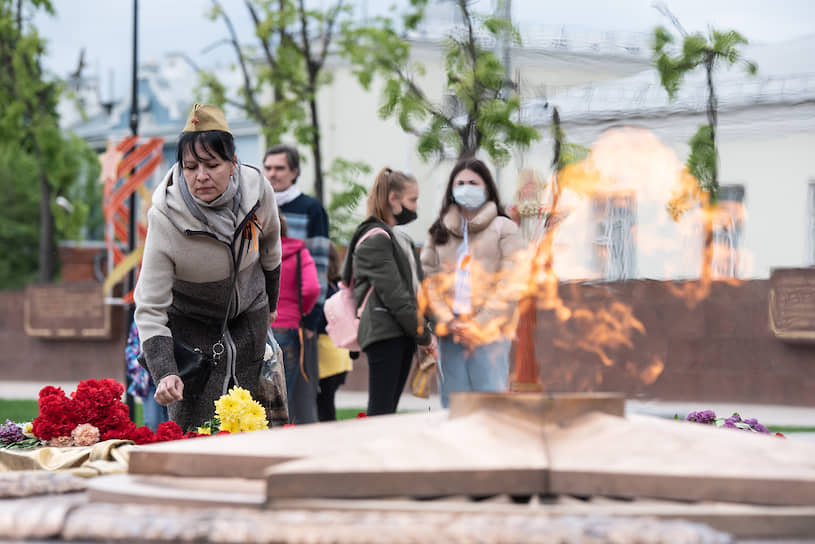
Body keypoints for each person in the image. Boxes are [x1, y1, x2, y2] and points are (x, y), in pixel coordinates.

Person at [135, 104, 282, 431]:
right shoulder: (165, 217)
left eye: (211, 164)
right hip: (194, 342)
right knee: (198, 443)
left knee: (261, 439)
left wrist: (270, 303)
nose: (200, 175)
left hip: (250, 330)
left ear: (233, 164)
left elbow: (271, 248)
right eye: (190, 166)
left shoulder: (258, 192)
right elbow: (149, 307)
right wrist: (166, 372)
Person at [420, 158, 522, 408]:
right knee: (454, 404)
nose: (466, 188)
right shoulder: (438, 232)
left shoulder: (504, 228)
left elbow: (511, 282)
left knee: (490, 402)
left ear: (487, 187)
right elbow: (430, 281)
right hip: (452, 332)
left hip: (491, 332)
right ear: (451, 190)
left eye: (473, 182)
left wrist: (479, 324)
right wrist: (448, 320)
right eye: (461, 183)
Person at [341, 167, 434, 416]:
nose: (415, 207)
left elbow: (418, 290)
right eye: (412, 199)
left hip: (400, 331)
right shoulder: (376, 238)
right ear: (393, 199)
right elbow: (396, 296)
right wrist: (424, 334)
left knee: (388, 411)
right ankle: (372, 455)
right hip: (384, 333)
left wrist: (433, 327)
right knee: (381, 411)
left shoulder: (399, 238)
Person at [263, 144, 329, 424]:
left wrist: (312, 320)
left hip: (298, 319)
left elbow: (320, 267)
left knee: (298, 398)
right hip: (260, 319)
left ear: (294, 172)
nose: (272, 174)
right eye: (268, 168)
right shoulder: (256, 204)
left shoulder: (311, 209)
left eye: (279, 168)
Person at [270, 213, 321, 419]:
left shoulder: (256, 252)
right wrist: (303, 311)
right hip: (288, 329)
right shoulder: (300, 254)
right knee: (282, 396)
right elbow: (312, 288)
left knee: (254, 392)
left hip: (258, 328)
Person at [315, 243, 354, 421]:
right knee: (327, 402)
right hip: (341, 353)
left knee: (324, 405)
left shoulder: (321, 288)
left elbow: (317, 321)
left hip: (325, 353)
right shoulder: (339, 287)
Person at [125, 320, 168, 431]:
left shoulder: (172, 316)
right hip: (149, 382)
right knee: (153, 424)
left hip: (172, 378)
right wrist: (138, 369)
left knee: (174, 424)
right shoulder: (139, 321)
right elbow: (132, 347)